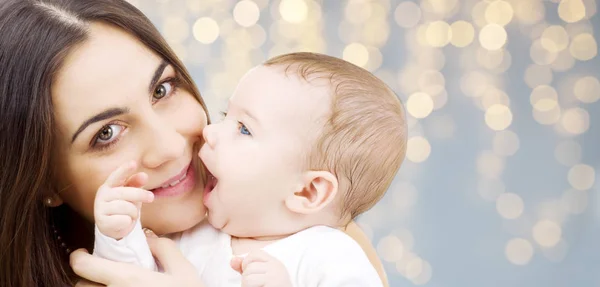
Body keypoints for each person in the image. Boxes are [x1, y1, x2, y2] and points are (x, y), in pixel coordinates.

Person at [0, 0, 388, 286]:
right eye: (106, 133)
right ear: (43, 180)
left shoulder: (321, 240)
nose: (170, 147)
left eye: (163, 89)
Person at [92, 52, 407, 286]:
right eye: (225, 115)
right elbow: (130, 280)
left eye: (243, 129)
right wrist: (119, 236)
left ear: (307, 191)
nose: (210, 133)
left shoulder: (330, 256)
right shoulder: (192, 235)